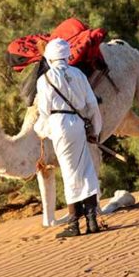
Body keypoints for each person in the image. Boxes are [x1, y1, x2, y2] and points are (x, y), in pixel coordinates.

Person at [33, 37, 104, 238]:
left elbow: (45, 112)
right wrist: (95, 131)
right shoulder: (78, 74)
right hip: (79, 124)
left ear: (50, 57)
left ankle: (74, 224)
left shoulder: (44, 79)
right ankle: (91, 220)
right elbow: (92, 105)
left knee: (70, 172)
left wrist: (42, 130)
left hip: (60, 125)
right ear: (66, 55)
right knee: (86, 169)